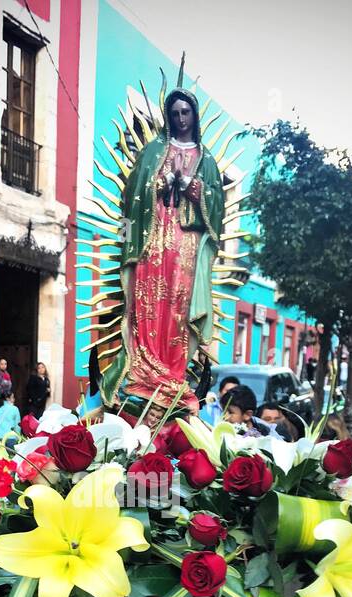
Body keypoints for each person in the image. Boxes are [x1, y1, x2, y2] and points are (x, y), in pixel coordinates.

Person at [113, 86, 224, 420]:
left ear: (194, 115)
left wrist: (194, 188)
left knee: (178, 305)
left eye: (185, 112)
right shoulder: (152, 152)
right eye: (174, 113)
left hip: (186, 243)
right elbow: (132, 194)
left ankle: (174, 373)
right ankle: (145, 371)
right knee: (149, 302)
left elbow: (217, 203)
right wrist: (156, 186)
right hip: (153, 239)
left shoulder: (206, 159)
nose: (180, 118)